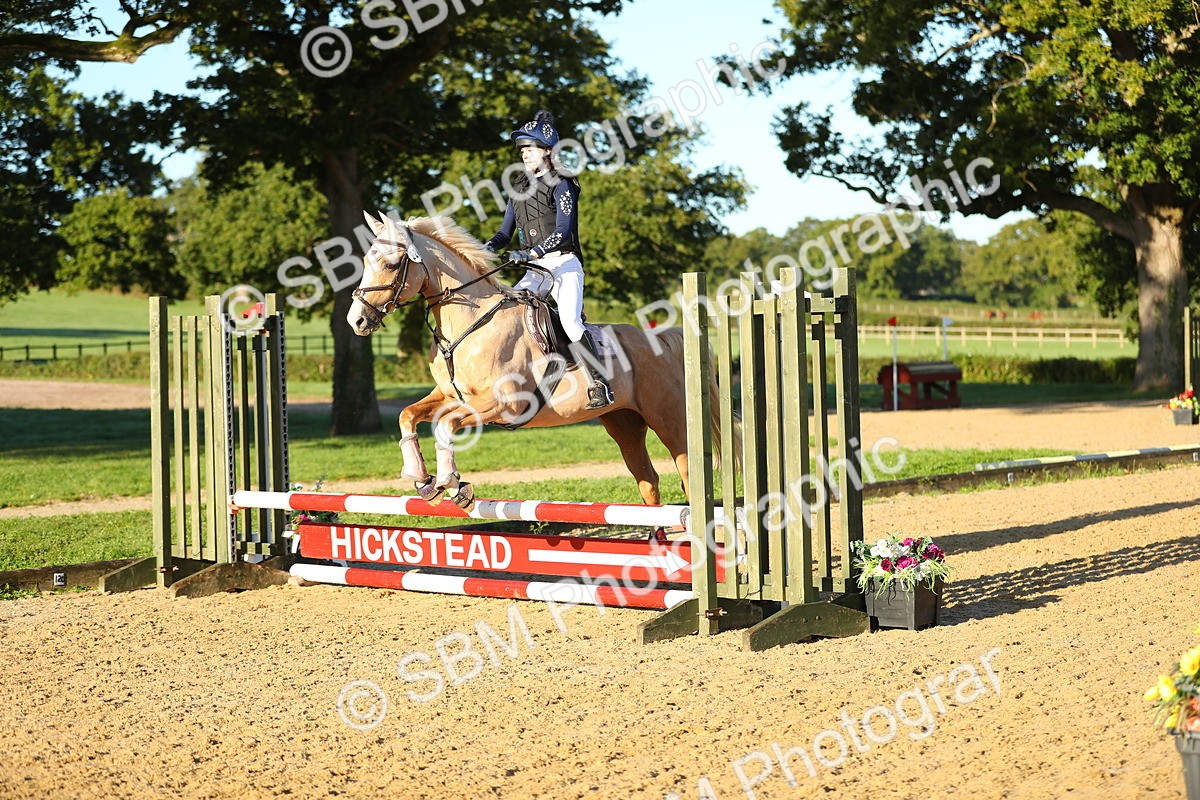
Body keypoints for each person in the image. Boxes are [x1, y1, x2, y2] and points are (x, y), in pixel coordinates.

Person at [485, 110, 613, 410]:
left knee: (569, 320)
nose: (524, 154)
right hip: (535, 269)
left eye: (529, 148)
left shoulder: (563, 182)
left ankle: (599, 384)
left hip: (563, 263)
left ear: (547, 151)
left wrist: (532, 252)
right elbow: (505, 233)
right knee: (509, 312)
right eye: (522, 150)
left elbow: (564, 230)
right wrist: (484, 250)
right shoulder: (518, 187)